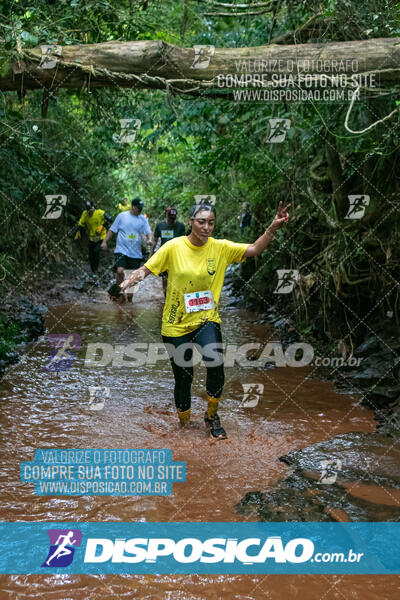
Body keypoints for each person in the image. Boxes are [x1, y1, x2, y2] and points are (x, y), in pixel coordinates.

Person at [120, 201, 291, 440]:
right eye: (201, 222)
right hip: (175, 324)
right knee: (184, 377)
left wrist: (272, 229)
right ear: (190, 222)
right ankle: (184, 425)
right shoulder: (173, 247)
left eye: (211, 222)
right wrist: (131, 279)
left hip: (206, 319)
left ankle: (212, 416)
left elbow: (254, 249)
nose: (206, 227)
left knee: (215, 362)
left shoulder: (220, 248)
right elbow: (147, 269)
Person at [101, 197, 154, 296]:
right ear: (133, 207)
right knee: (120, 271)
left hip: (136, 253)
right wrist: (104, 241)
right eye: (138, 208)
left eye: (141, 208)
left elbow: (149, 232)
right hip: (121, 250)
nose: (140, 210)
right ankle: (118, 293)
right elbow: (112, 229)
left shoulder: (143, 219)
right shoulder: (122, 216)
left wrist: (150, 239)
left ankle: (129, 299)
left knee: (133, 278)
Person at [152, 206, 186, 297]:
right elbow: (155, 240)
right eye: (170, 217)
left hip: (177, 256)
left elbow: (185, 241)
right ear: (166, 215)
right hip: (165, 255)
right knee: (165, 278)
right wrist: (151, 255)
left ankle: (175, 296)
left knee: (176, 277)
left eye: (173, 218)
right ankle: (166, 298)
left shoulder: (181, 226)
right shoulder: (160, 226)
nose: (172, 220)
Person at [74, 201, 111, 277]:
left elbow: (110, 219)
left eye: (90, 210)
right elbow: (81, 224)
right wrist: (78, 231)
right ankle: (93, 270)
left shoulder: (99, 212)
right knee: (91, 255)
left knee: (96, 251)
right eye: (88, 210)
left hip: (101, 237)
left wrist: (102, 226)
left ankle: (96, 270)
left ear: (93, 208)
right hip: (92, 238)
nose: (89, 212)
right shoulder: (85, 214)